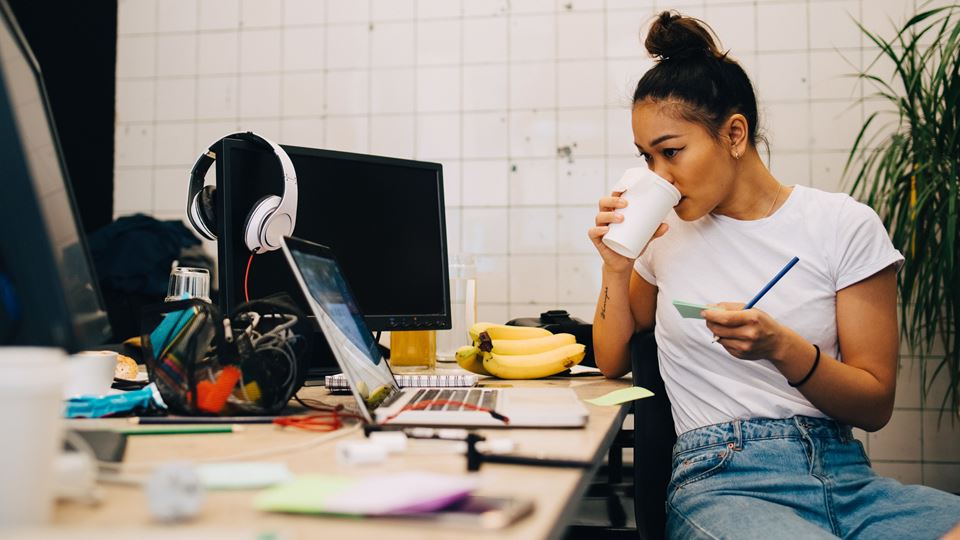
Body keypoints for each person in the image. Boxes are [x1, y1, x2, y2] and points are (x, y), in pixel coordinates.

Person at [589, 11, 960, 539]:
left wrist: (782, 347)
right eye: (647, 158)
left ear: (734, 134)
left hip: (847, 477)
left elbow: (875, 404)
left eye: (671, 152)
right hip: (724, 481)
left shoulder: (842, 225)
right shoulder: (663, 236)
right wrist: (615, 266)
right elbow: (611, 359)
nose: (658, 176)